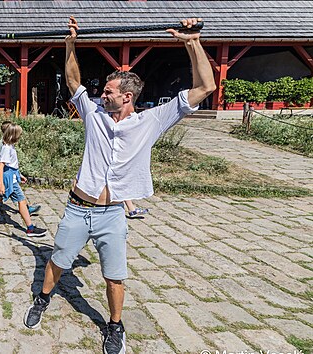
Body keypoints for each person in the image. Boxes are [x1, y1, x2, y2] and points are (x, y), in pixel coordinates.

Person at [22, 17, 216, 354]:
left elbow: (205, 87)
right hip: (77, 209)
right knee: (57, 260)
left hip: (112, 214)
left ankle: (115, 326)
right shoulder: (93, 113)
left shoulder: (152, 120)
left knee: (114, 275)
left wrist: (192, 42)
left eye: (108, 91)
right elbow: (72, 81)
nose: (101, 94)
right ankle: (42, 299)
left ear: (126, 97)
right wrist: (70, 43)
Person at [0, 123, 47, 237]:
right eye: (19, 135)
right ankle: (30, 229)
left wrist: (20, 174)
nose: (20, 137)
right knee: (21, 200)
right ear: (13, 136)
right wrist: (1, 184)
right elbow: (1, 166)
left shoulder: (10, 146)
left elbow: (12, 165)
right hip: (8, 179)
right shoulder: (7, 148)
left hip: (11, 176)